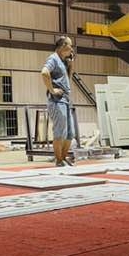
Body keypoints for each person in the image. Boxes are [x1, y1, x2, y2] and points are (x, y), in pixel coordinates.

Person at [41, 36, 76, 167]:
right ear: (63, 46)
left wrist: (70, 63)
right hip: (57, 101)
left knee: (70, 133)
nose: (72, 49)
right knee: (60, 132)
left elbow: (68, 78)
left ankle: (63, 158)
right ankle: (59, 160)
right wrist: (52, 90)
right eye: (70, 46)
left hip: (66, 100)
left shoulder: (63, 61)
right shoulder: (53, 59)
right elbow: (44, 73)